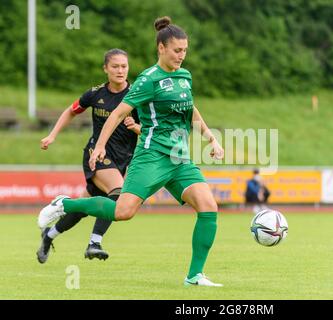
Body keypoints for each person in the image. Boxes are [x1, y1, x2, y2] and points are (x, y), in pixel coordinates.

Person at [38, 16, 224, 287]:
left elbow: (190, 109)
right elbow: (117, 114)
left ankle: (194, 276)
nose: (182, 56)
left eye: (185, 50)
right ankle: (64, 204)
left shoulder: (185, 77)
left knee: (208, 207)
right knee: (123, 211)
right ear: (161, 48)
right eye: (177, 50)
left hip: (179, 159)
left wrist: (211, 138)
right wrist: (99, 146)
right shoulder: (148, 80)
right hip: (151, 156)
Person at [37, 48, 141, 264]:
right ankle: (94, 242)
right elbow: (71, 111)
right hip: (97, 154)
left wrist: (136, 127)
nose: (120, 70)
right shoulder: (95, 94)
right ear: (106, 69)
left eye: (124, 66)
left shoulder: (137, 96)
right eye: (115, 66)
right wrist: (52, 135)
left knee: (84, 207)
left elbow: (149, 129)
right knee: (118, 194)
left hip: (122, 160)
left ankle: (49, 236)